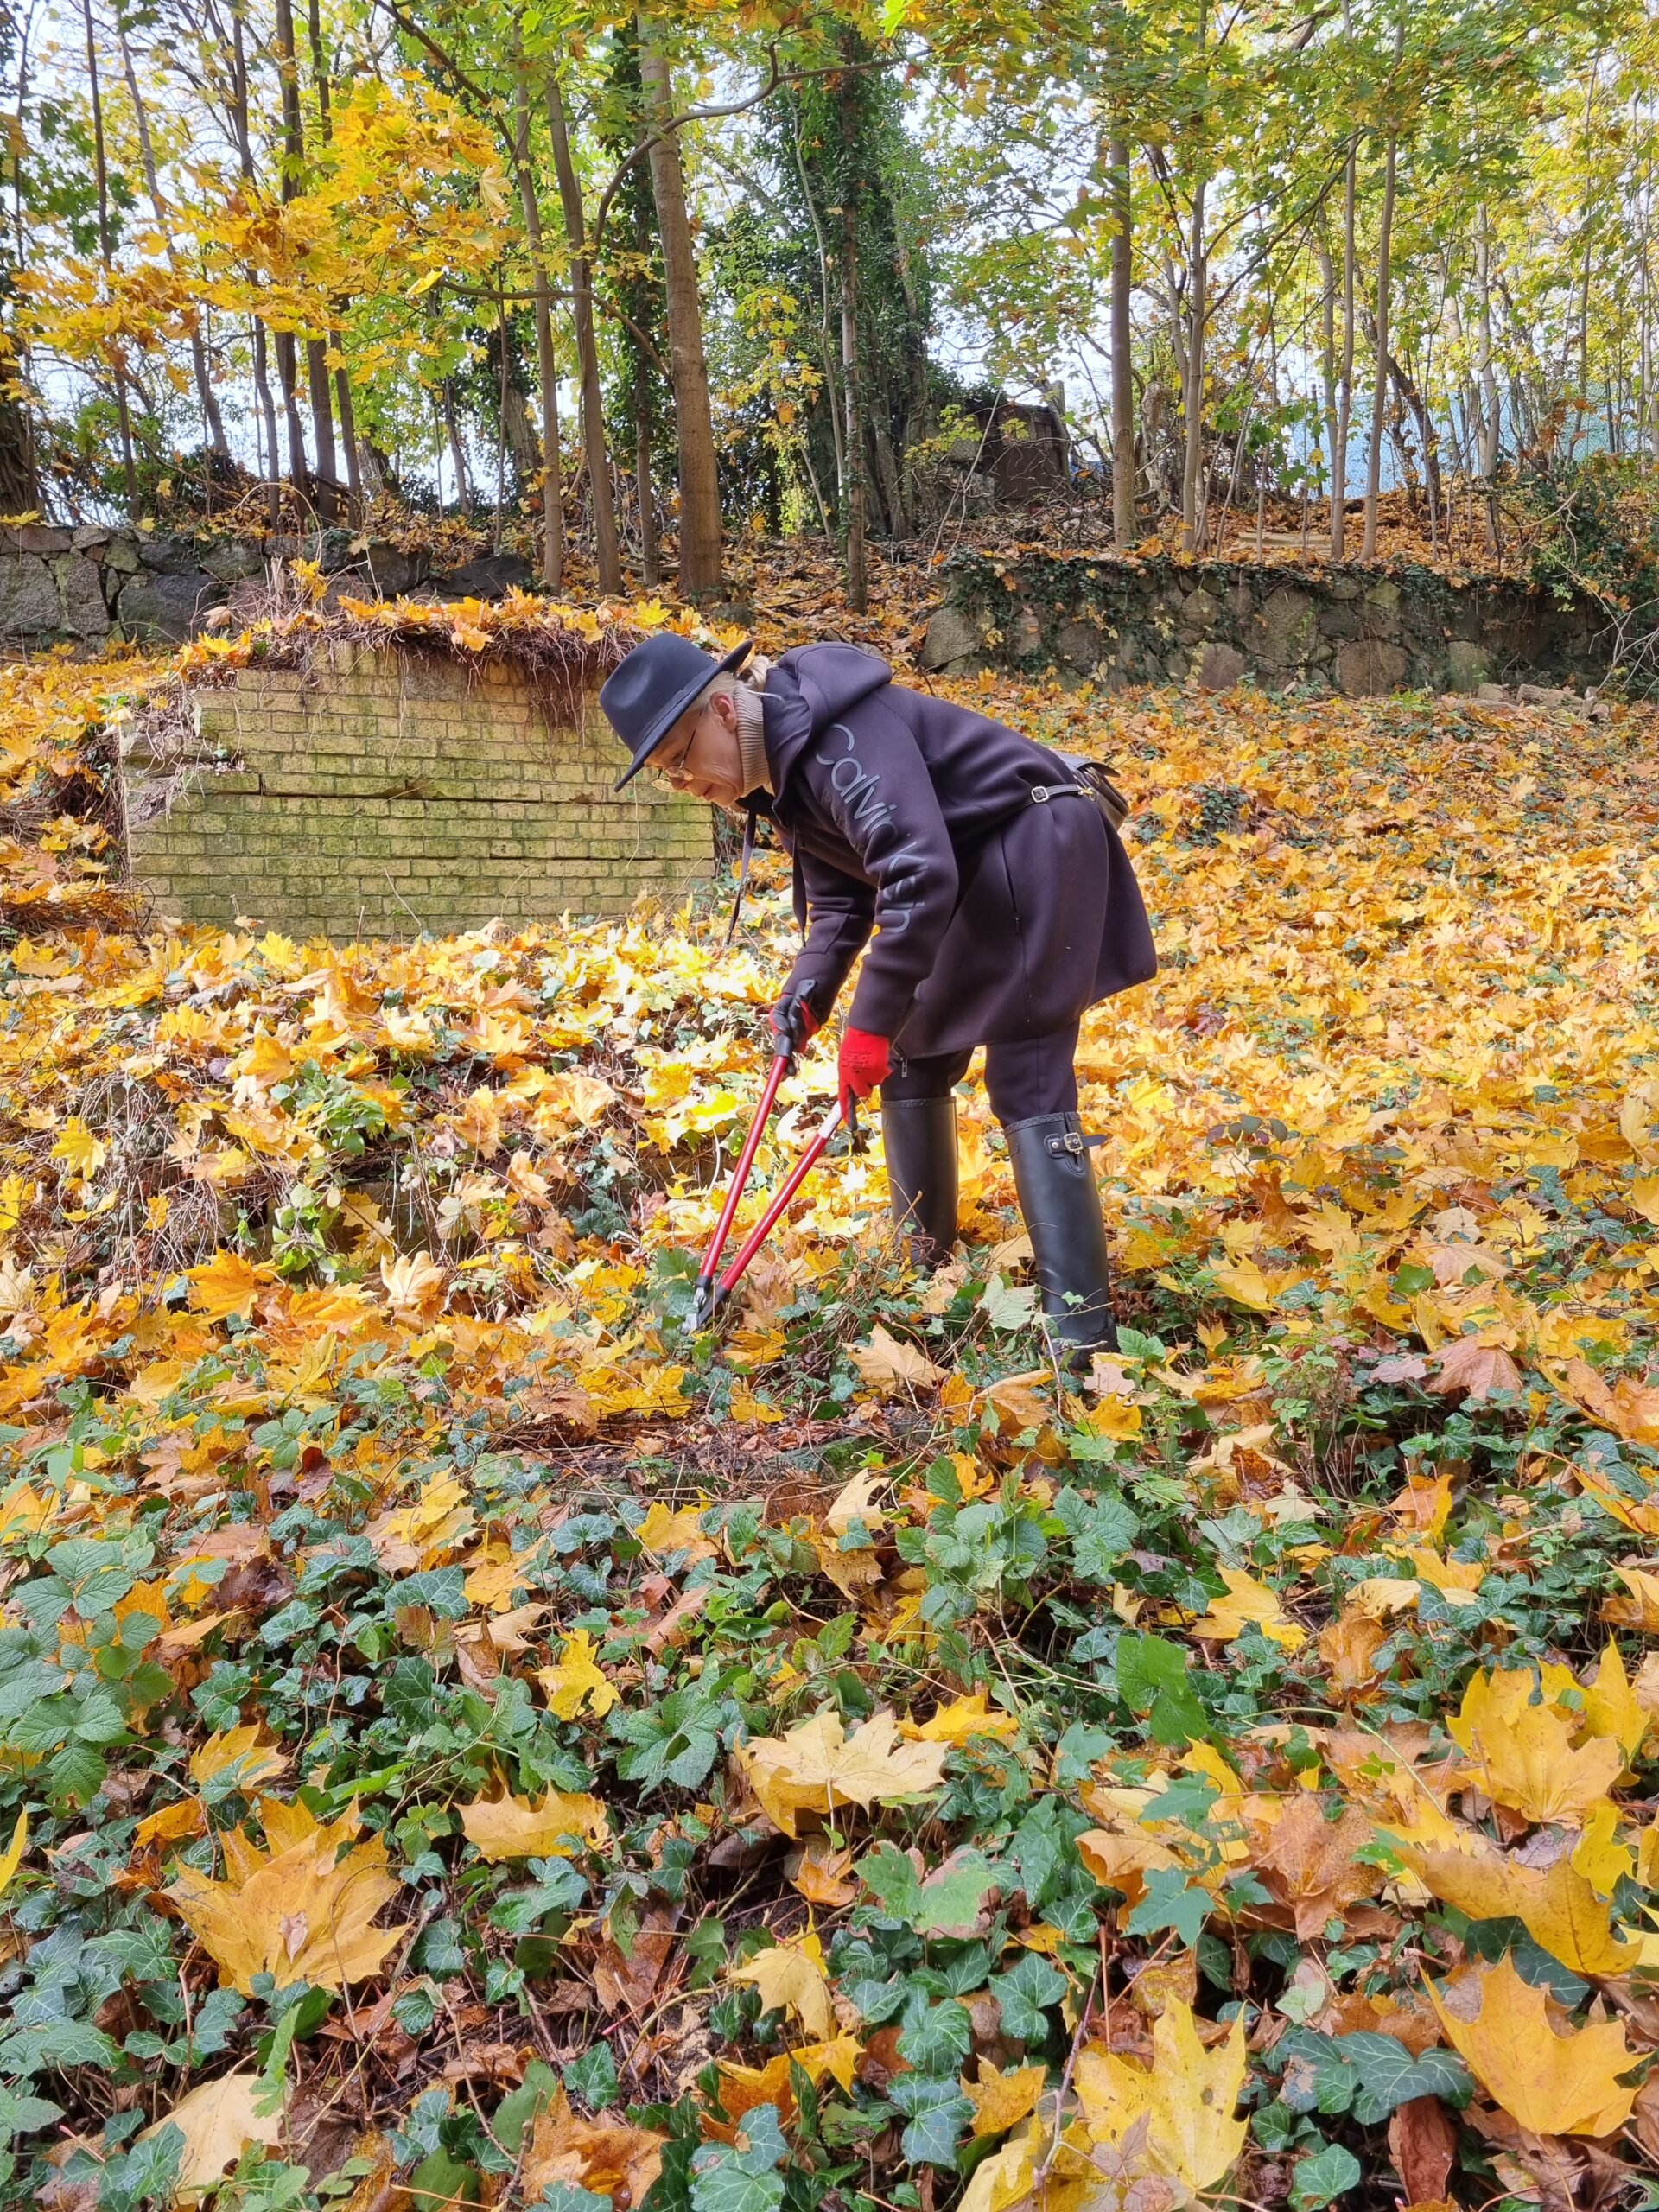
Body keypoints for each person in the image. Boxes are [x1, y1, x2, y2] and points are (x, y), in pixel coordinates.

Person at [598, 632, 1156, 1357]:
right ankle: (925, 1278)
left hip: (1040, 837)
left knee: (1028, 1071)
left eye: (679, 760)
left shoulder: (838, 738)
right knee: (914, 1054)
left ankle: (1083, 1342)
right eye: (667, 776)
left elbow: (917, 872)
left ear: (724, 710)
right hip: (975, 860)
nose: (685, 783)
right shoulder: (785, 782)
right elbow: (839, 908)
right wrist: (806, 997)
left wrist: (864, 1027)